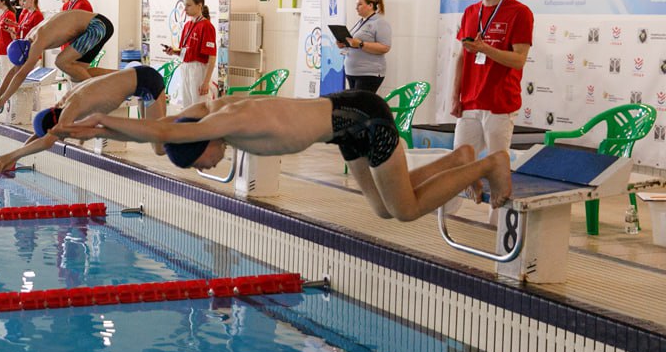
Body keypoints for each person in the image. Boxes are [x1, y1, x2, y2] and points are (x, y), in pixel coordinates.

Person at [58, 91, 513, 222]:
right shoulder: (207, 116)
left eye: (201, 162)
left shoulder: (226, 121)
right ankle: (461, 157)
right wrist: (92, 128)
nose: (208, 167)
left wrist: (98, 117)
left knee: (406, 210)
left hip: (362, 119)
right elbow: (160, 139)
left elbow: (161, 130)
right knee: (382, 208)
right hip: (344, 126)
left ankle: (488, 163)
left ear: (204, 143)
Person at [0, 65, 168, 176]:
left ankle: (186, 129)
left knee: (159, 148)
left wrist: (10, 156)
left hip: (147, 84)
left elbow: (46, 141)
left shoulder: (71, 109)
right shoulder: (64, 105)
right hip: (141, 78)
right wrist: (17, 157)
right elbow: (42, 135)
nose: (62, 137)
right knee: (154, 137)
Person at [451, 0, 534, 175]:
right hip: (470, 101)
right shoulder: (470, 12)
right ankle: (459, 201)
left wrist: (485, 49)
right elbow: (462, 57)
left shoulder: (519, 12)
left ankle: (497, 201)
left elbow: (519, 60)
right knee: (459, 164)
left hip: (500, 103)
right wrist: (455, 96)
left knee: (497, 167)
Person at [0, 9, 115, 115]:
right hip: (98, 24)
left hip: (97, 25)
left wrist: (3, 100)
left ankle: (97, 97)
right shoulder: (27, 40)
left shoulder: (38, 41)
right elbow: (15, 71)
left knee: (61, 62)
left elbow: (21, 74)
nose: (27, 62)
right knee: (77, 73)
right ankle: (124, 75)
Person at [164, 0, 217, 108]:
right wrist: (174, 51)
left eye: (188, 5)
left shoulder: (206, 26)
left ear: (199, 6)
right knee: (187, 105)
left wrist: (206, 82)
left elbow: (212, 57)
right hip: (185, 67)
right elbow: (185, 51)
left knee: (200, 106)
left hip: (198, 69)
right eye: (184, 6)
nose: (185, 9)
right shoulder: (187, 25)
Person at [335, 0, 391, 93]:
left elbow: (385, 47)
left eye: (360, 4)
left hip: (368, 73)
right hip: (352, 72)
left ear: (370, 5)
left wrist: (361, 44)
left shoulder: (380, 23)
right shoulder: (360, 22)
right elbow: (353, 43)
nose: (356, 8)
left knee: (361, 102)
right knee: (355, 103)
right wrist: (343, 44)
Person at [0, 0, 18, 78]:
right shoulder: (3, 15)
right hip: (1, 48)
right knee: (1, 73)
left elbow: (13, 33)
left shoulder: (10, 14)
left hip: (6, 48)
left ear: (3, 2)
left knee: (6, 73)